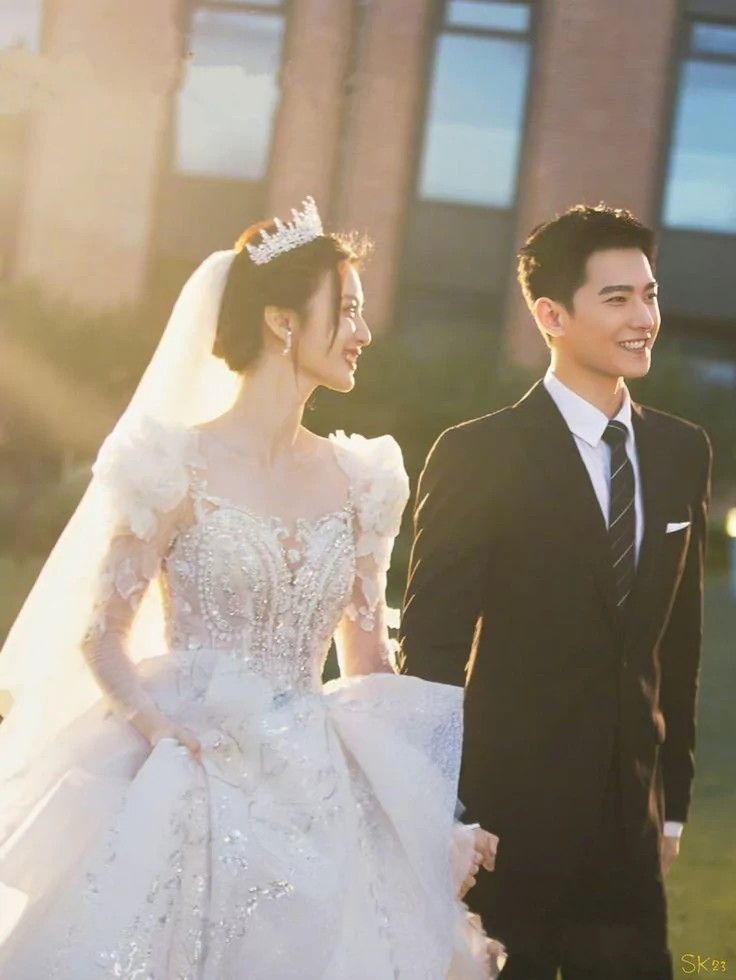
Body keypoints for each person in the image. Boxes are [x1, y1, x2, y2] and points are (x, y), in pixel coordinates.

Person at [0, 198, 499, 978]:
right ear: (282, 322)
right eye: (350, 311)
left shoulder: (362, 481)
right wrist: (156, 726)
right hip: (191, 764)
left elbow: (365, 662)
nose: (365, 333)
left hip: (313, 777)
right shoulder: (170, 465)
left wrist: (427, 809)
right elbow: (103, 635)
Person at [399, 204, 712, 980]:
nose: (645, 318)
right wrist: (445, 816)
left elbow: (679, 639)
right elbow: (431, 652)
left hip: (629, 836)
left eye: (651, 294)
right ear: (551, 314)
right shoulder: (478, 455)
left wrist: (670, 801)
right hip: (505, 830)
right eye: (618, 299)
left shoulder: (680, 451)